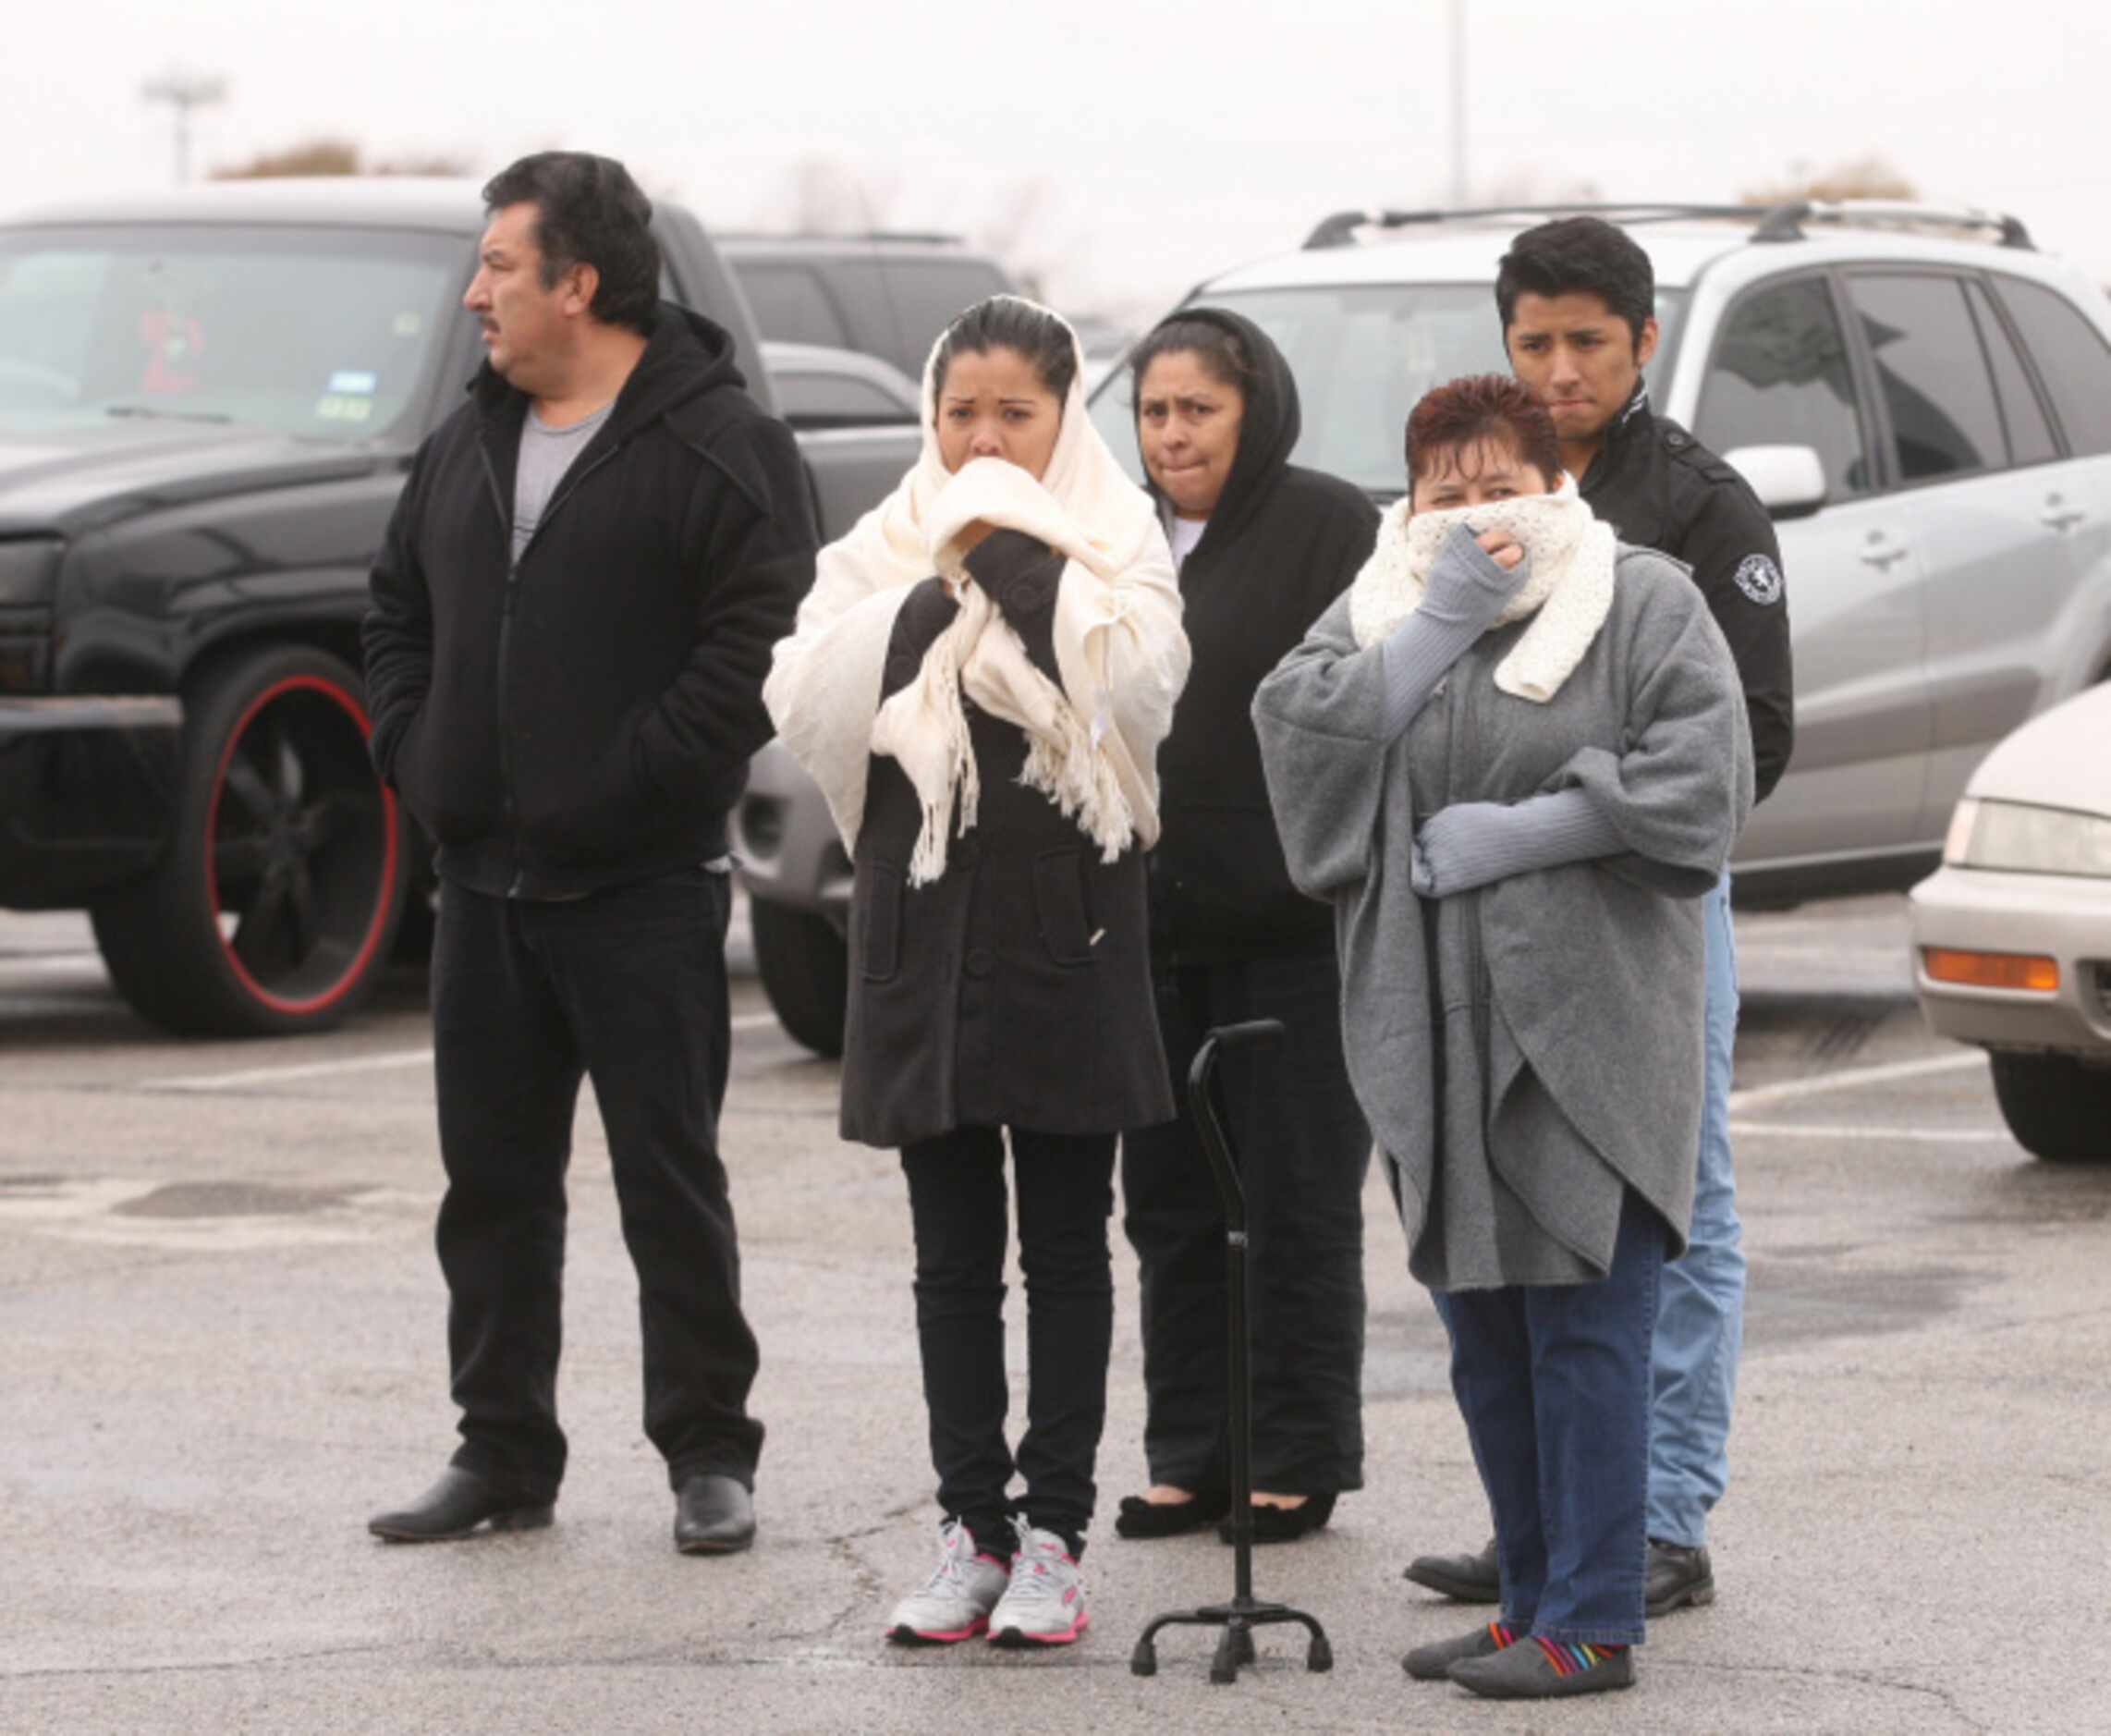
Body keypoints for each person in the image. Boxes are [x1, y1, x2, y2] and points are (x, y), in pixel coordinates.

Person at [1254, 374, 1752, 1699]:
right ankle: (1532, 1595)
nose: (1477, 518)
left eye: (1503, 487)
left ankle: (1594, 1621)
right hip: (1430, 1024)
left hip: (1594, 1023)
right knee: (1487, 1334)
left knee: (1587, 1326)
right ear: (1412, 501)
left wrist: (1533, 831)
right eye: (1447, 491)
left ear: (1557, 485)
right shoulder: (1382, 603)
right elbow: (1294, 735)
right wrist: (1428, 636)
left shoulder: (1641, 596)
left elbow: (1707, 778)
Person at [361, 153, 812, 1556]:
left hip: (640, 888)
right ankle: (501, 1449)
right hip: (483, 889)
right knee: (490, 1185)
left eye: (502, 265)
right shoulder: (467, 437)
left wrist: (611, 791)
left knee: (666, 1179)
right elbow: (393, 612)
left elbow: (753, 660)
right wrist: (421, 760)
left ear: (581, 282)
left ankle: (707, 1452)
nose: (477, 290)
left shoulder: (721, 445)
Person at [763, 297, 1189, 1648]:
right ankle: (972, 1532)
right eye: (963, 414)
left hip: (1069, 928)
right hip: (919, 934)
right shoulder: (884, 539)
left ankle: (1057, 1533)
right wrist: (930, 582)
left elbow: (1139, 683)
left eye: (1016, 414)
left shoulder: (1115, 534)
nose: (985, 437)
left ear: (1067, 415)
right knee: (949, 1258)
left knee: (1066, 1246)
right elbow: (804, 682)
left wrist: (1009, 556)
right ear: (930, 416)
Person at [1404, 215, 1794, 1620]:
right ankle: (1562, 1522)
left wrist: (1570, 820)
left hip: (1651, 903)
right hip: (1491, 913)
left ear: (1641, 339)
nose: (1559, 368)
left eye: (1585, 341)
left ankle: (1665, 1509)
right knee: (1521, 1203)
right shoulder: (1486, 480)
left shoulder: (1697, 507)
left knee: (1675, 1194)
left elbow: (1749, 741)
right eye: (1533, 342)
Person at [1111, 310, 1377, 1546]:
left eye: (1198, 409)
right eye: (1156, 411)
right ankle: (1191, 1450)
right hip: (1150, 926)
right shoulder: (1120, 537)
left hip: (1290, 929)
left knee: (1292, 1196)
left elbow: (1364, 705)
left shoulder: (1328, 526)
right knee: (1166, 1200)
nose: (1173, 434)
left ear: (1253, 411)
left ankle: (1294, 1451)